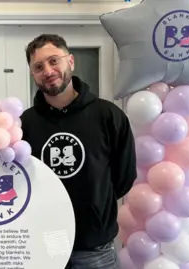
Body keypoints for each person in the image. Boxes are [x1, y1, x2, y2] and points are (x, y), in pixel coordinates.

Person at [20, 34, 137, 269]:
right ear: (33, 74)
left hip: (95, 249)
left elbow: (124, 178)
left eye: (54, 61)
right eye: (39, 66)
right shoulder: (25, 124)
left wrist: (94, 203)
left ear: (70, 62)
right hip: (46, 244)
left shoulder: (108, 116)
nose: (48, 70)